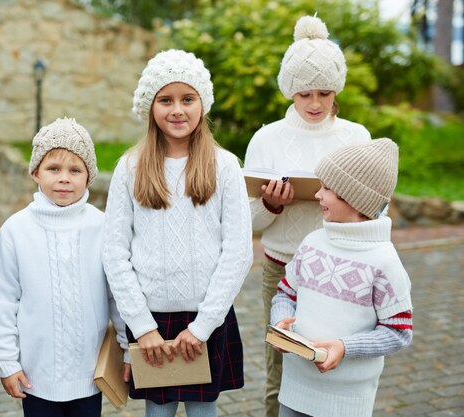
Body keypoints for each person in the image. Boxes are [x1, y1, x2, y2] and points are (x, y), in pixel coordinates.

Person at [102, 49, 253, 417]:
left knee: (204, 412)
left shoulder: (225, 166)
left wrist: (202, 327)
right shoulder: (130, 168)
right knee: (158, 412)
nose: (177, 110)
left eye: (188, 99)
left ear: (203, 103)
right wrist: (141, 326)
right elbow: (114, 252)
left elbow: (238, 252)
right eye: (165, 100)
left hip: (208, 318)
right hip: (152, 319)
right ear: (149, 107)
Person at [242, 15, 372, 417]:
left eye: (324, 92)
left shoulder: (356, 137)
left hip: (343, 270)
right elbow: (247, 223)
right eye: (303, 94)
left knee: (339, 366)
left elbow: (373, 211)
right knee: (281, 372)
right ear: (289, 91)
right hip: (282, 270)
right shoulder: (266, 139)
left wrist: (343, 205)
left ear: (337, 90)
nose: (315, 103)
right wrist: (272, 204)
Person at [0, 117, 127, 417]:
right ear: (36, 172)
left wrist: (127, 347)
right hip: (36, 376)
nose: (64, 178)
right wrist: (8, 363)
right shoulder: (15, 230)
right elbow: (3, 301)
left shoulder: (102, 226)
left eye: (75, 170)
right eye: (54, 169)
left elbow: (118, 294)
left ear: (89, 177)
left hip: (90, 374)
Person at [270, 138, 413, 417]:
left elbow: (398, 331)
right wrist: (280, 322)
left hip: (346, 400)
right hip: (295, 386)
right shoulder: (312, 242)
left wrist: (345, 347)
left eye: (327, 188)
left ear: (355, 197)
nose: (317, 195)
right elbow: (285, 293)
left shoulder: (384, 262)